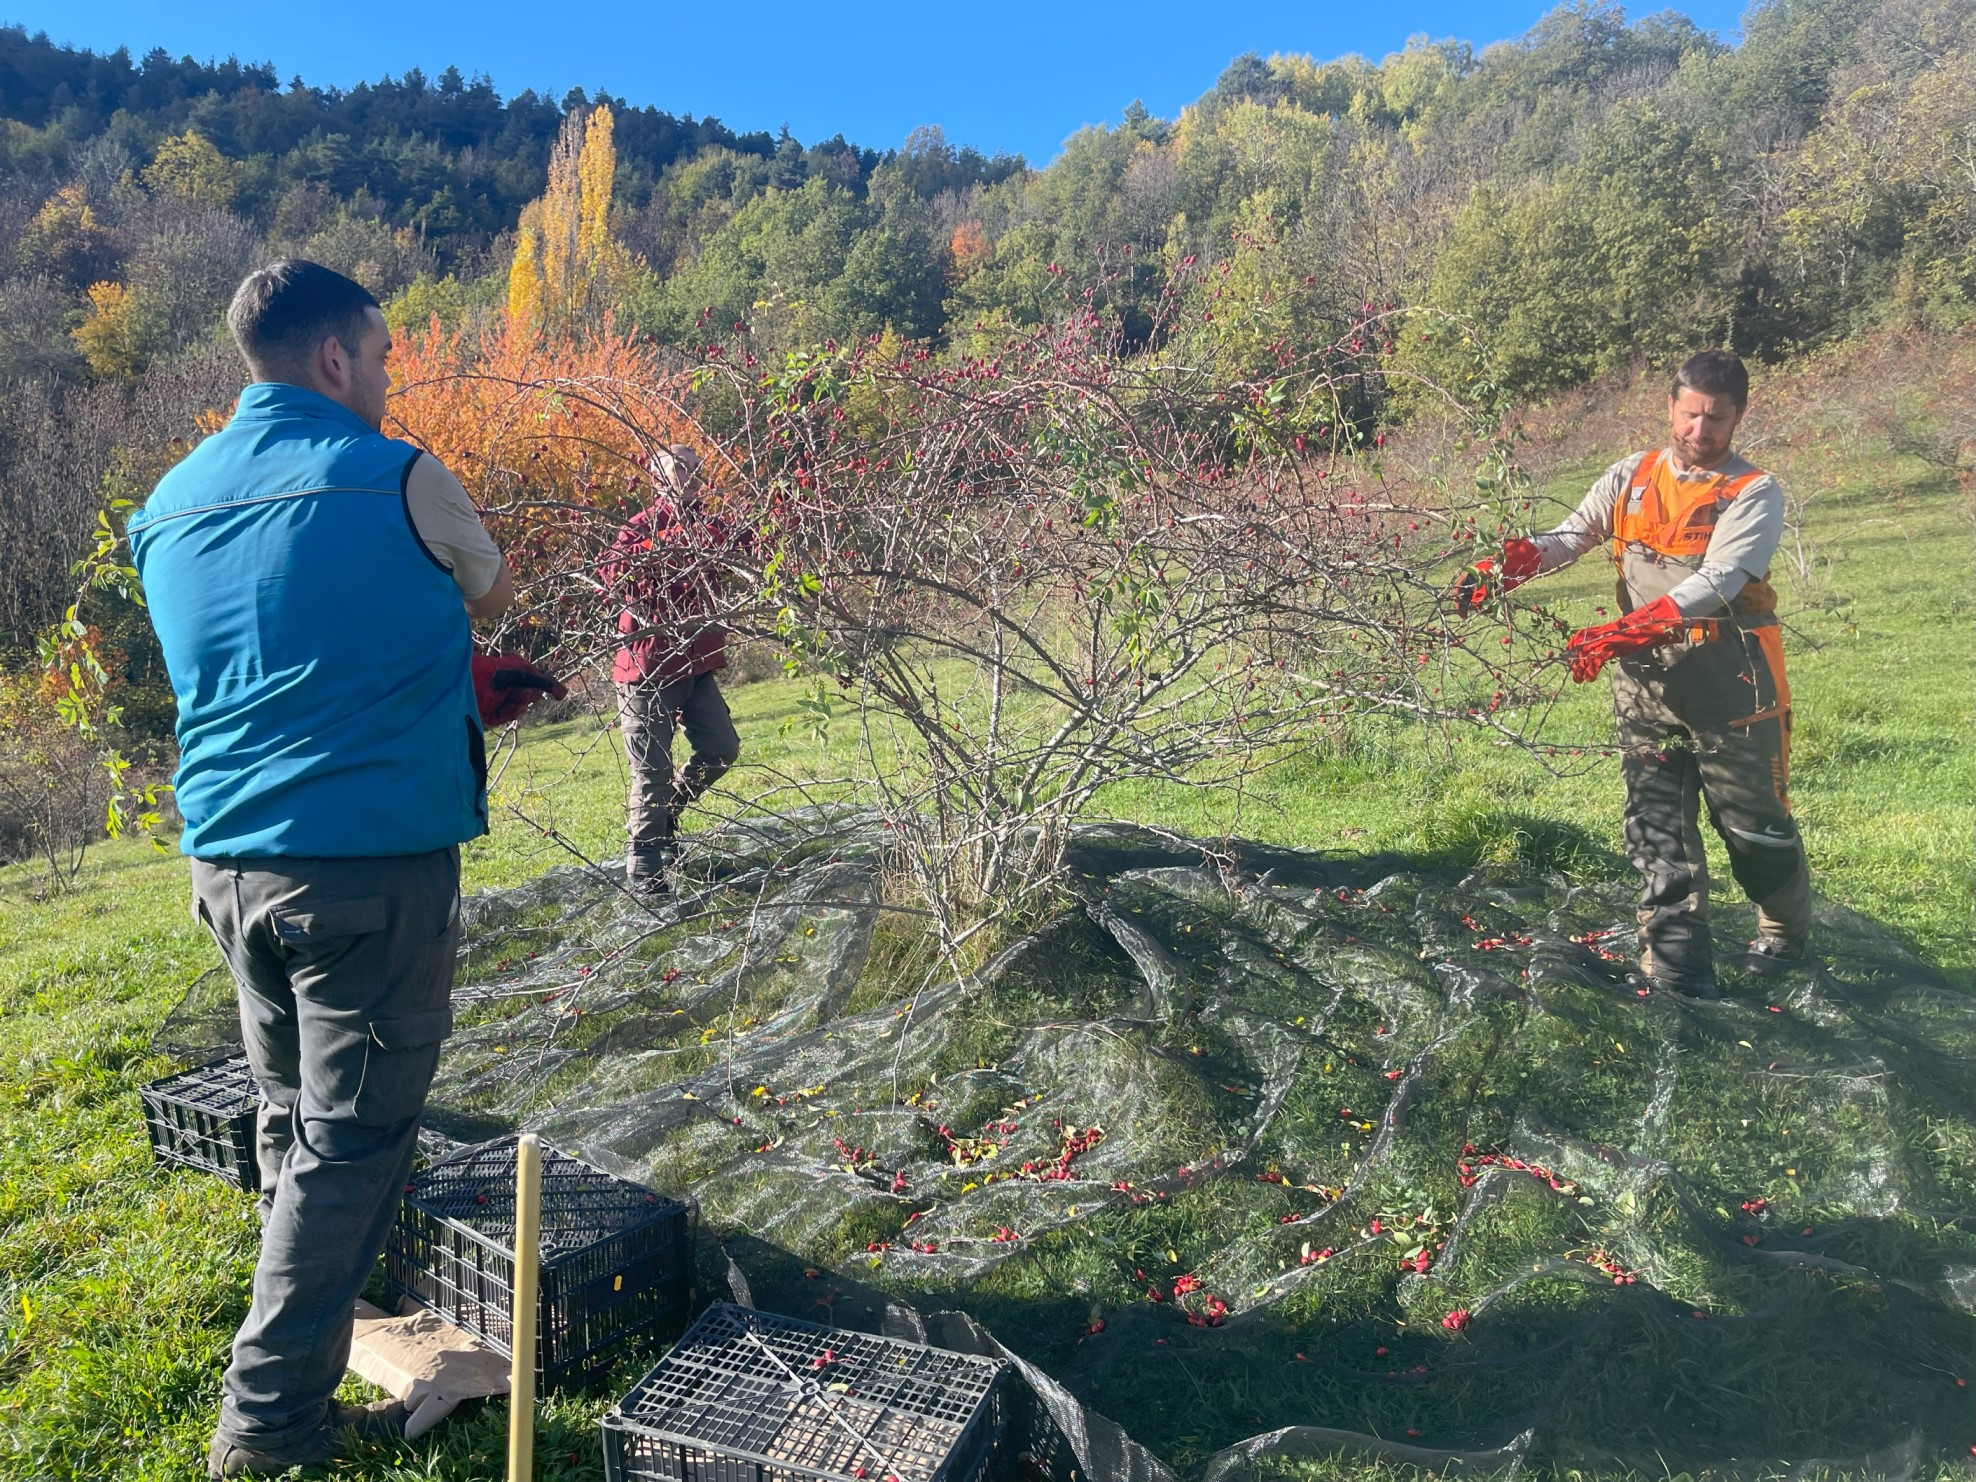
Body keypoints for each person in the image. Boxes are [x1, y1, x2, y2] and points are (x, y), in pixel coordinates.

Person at [127, 260, 561, 1478]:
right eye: (378, 356)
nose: (383, 378)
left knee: (289, 1119)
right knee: (351, 1146)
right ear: (334, 357)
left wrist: (440, 691)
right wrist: (466, 678)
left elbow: (266, 663)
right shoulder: (400, 472)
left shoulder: (164, 503)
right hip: (366, 869)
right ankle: (267, 1428)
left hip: (225, 865)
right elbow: (490, 589)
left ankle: (318, 1335)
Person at [1455, 349, 1813, 999]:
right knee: (1656, 831)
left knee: (1752, 830)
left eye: (1716, 420)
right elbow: (1574, 534)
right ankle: (1677, 970)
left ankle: (1784, 933)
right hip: (1645, 687)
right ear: (1671, 407)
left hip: (1733, 687)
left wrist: (1625, 629)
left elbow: (1720, 581)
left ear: (1738, 417)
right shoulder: (1631, 476)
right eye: (1690, 415)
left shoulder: (1753, 492)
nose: (1700, 432)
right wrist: (1511, 564)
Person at [601, 443, 742, 891]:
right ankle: (644, 872)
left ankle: (666, 818)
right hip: (647, 669)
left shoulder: (712, 526)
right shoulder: (640, 528)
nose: (692, 477)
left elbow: (749, 551)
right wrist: (669, 557)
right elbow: (616, 578)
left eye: (696, 470)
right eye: (681, 470)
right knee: (650, 774)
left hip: (695, 664)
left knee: (721, 747)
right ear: (659, 479)